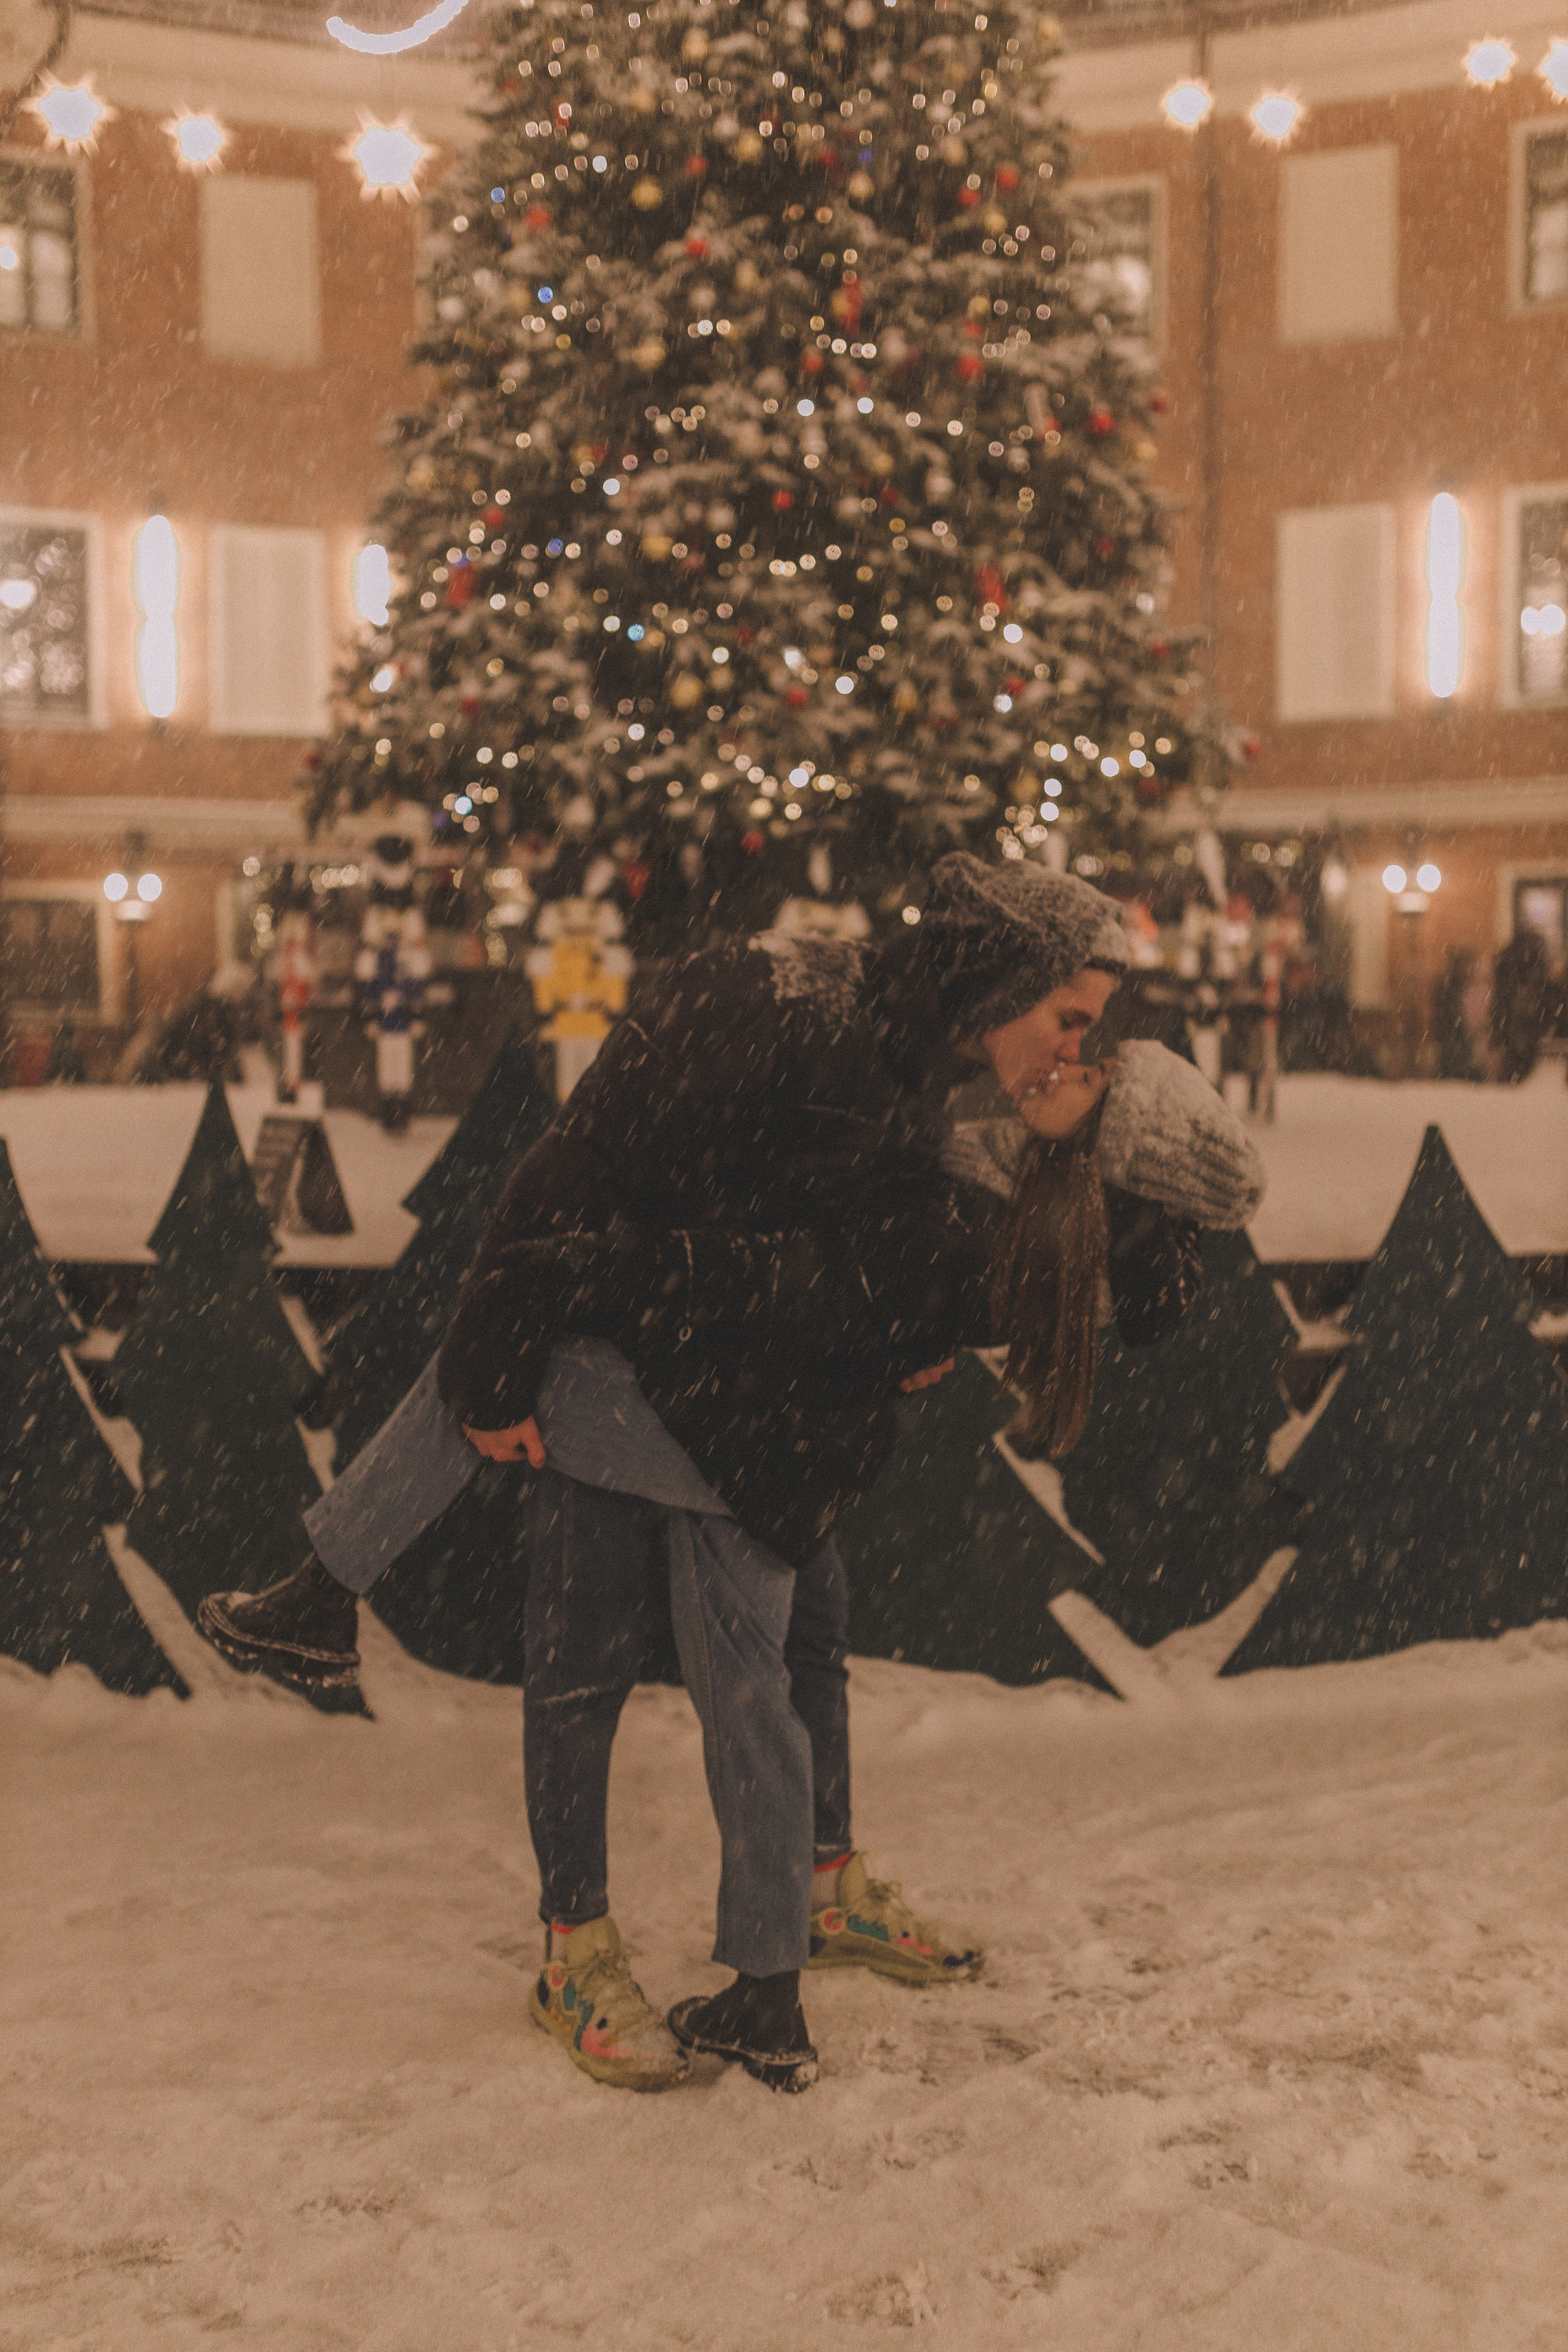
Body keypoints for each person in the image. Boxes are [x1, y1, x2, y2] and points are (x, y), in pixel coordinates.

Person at [199, 855, 1263, 2093]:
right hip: (762, 1425)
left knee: (545, 1480)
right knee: (751, 1686)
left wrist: (591, 1288)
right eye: (1070, 1022)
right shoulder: (941, 1125)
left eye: (1088, 1052)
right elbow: (836, 1248)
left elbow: (802, 1275)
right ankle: (766, 1975)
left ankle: (329, 1592)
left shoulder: (960, 1163)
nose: (1070, 1054)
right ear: (1000, 979)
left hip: (728, 1417)